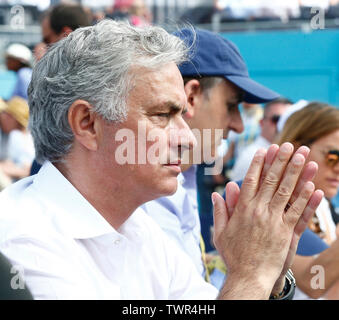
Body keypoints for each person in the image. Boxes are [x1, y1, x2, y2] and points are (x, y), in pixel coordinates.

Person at [0, 20, 322, 300]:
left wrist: (272, 278)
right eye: (162, 115)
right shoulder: (25, 244)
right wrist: (251, 276)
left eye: (181, 113)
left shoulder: (138, 226)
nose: (187, 138)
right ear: (87, 123)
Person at [142, 29, 283, 287]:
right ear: (191, 97)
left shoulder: (183, 176)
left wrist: (272, 280)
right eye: (231, 105)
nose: (239, 125)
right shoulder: (138, 196)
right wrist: (251, 271)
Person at [276, 102, 339, 299]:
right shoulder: (273, 206)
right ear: (297, 149)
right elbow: (313, 282)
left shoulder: (323, 204)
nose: (338, 167)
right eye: (333, 156)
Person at [29, 2, 92, 177]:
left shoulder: (66, 82)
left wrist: (44, 73)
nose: (40, 47)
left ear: (65, 35)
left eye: (47, 40)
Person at [230, 97, 292, 181]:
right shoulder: (254, 156)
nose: (281, 125)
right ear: (262, 123)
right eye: (277, 119)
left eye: (288, 120)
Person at [0, 97, 34, 190]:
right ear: (9, 117)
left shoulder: (7, 134)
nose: (18, 129)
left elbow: (6, 161)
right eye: (18, 125)